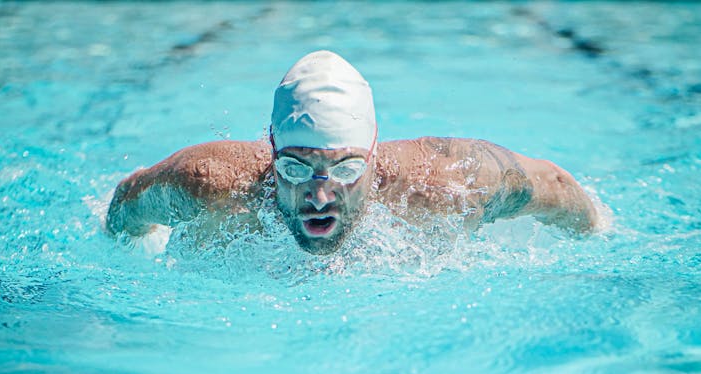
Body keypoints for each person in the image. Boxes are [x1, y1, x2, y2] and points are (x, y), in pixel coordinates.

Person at [107, 50, 605, 255]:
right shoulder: (208, 184)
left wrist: (601, 237)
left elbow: (554, 186)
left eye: (345, 168)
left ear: (372, 153)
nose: (319, 195)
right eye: (295, 167)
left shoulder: (446, 182)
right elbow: (127, 202)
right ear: (271, 149)